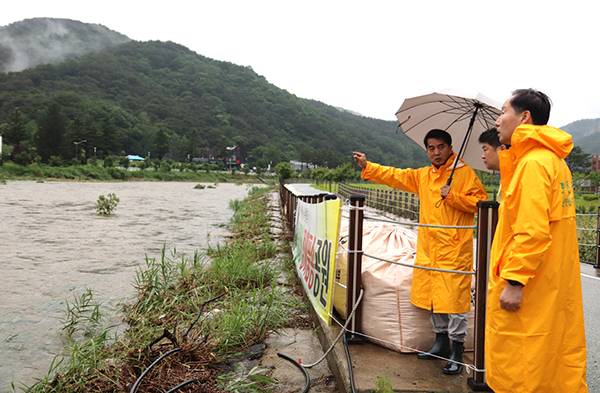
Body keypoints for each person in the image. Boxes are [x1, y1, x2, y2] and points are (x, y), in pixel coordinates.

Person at [353, 129, 488, 375]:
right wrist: (368, 166)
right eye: (431, 148)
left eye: (441, 147)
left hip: (454, 249)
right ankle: (440, 343)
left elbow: (481, 204)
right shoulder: (423, 176)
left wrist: (454, 196)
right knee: (432, 297)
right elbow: (395, 176)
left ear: (450, 148)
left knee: (456, 302)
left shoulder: (466, 174)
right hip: (429, 247)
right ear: (426, 150)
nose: (436, 152)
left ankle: (457, 349)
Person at [486, 89, 588, 392]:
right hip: (549, 281)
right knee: (551, 361)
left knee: (521, 366)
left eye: (503, 111)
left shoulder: (533, 164)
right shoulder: (554, 162)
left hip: (529, 286)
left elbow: (532, 230)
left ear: (524, 117)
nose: (497, 119)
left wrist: (515, 282)